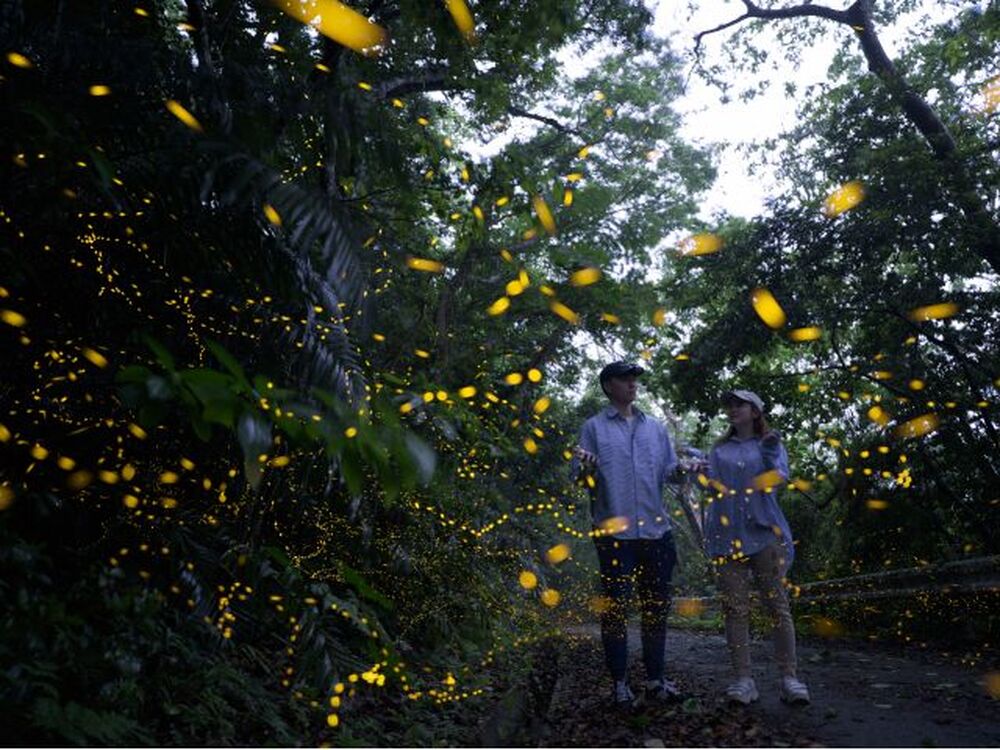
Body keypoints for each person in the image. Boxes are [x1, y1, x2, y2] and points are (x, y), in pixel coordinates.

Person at [572, 360, 683, 707]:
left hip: (656, 533)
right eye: (625, 379)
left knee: (655, 610)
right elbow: (580, 478)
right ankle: (619, 683)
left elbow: (670, 472)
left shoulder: (656, 429)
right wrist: (586, 469)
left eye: (635, 379)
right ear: (609, 386)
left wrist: (685, 469)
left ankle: (655, 680)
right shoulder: (593, 428)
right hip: (614, 536)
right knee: (615, 611)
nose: (633, 384)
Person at [703, 389, 810, 705]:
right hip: (726, 538)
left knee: (777, 607)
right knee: (735, 610)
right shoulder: (719, 450)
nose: (733, 408)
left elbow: (778, 479)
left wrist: (769, 453)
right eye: (730, 404)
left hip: (764, 534)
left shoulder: (769, 443)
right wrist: (699, 473)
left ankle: (789, 678)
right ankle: (743, 680)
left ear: (755, 411)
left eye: (740, 404)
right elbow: (711, 487)